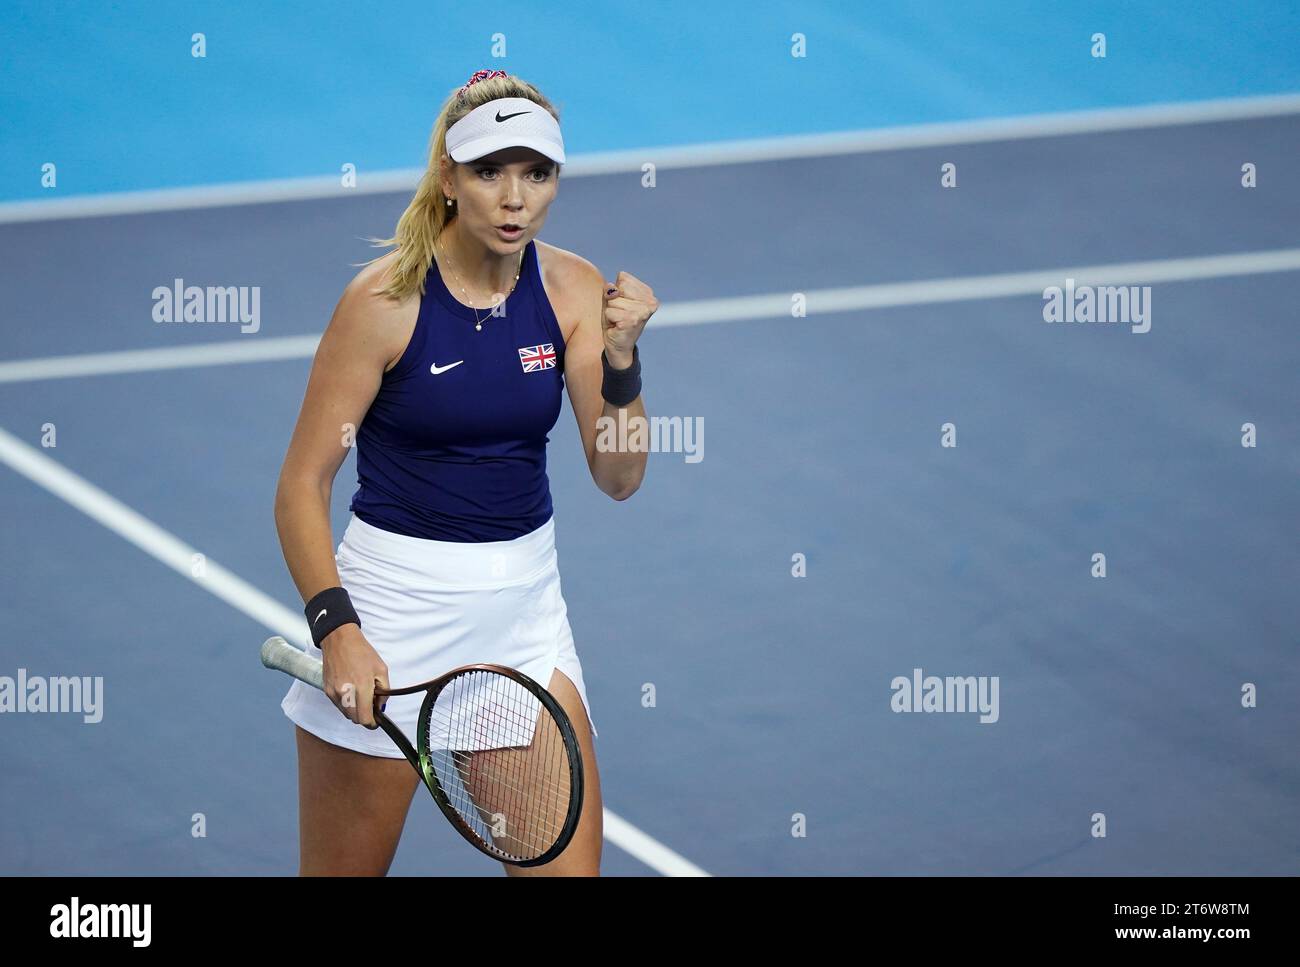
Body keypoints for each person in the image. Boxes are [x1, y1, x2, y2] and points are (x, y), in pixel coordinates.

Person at [273, 69, 658, 876]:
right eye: (490, 172)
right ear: (448, 178)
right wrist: (337, 631)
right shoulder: (383, 303)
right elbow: (302, 485)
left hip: (524, 623)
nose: (515, 199)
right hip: (389, 623)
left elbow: (619, 477)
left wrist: (622, 365)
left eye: (536, 174)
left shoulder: (572, 291)